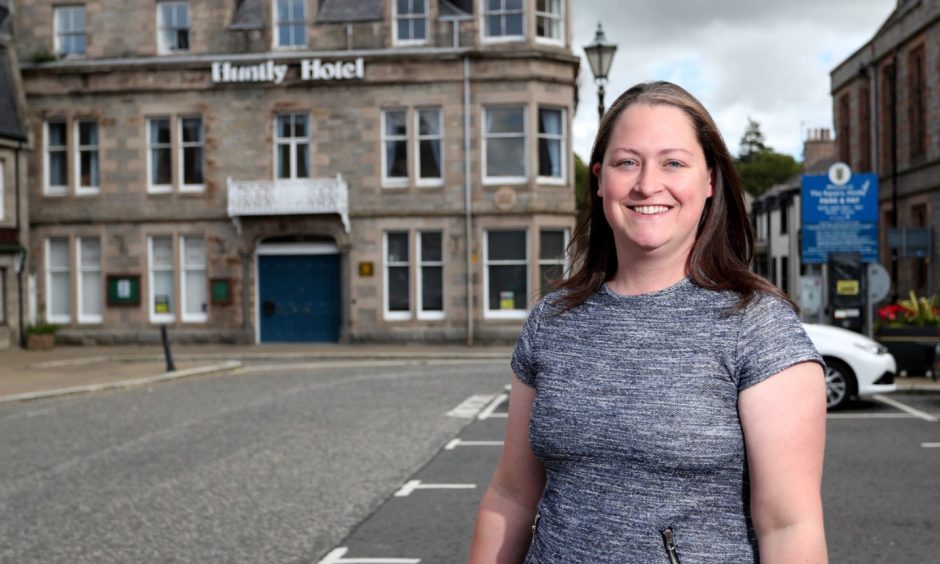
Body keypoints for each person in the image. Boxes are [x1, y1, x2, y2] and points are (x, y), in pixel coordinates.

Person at [467, 81, 827, 563]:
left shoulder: (757, 326)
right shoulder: (552, 321)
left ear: (709, 182)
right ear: (599, 180)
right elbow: (510, 497)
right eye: (626, 162)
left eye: (673, 162)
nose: (646, 184)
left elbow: (790, 527)